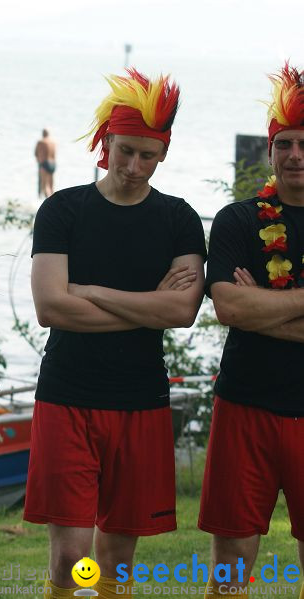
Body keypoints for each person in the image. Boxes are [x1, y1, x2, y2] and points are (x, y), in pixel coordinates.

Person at [26, 69, 207, 599]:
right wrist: (146, 306)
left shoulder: (178, 219)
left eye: (147, 155)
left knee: (119, 558)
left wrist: (90, 291)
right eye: (125, 150)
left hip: (140, 399)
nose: (133, 166)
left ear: (162, 155)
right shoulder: (63, 210)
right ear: (105, 142)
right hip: (68, 394)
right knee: (70, 554)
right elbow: (49, 306)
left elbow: (182, 311)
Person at [199, 63, 304, 599]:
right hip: (245, 406)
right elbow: (229, 307)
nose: (295, 155)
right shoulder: (239, 221)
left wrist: (268, 306)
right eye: (283, 143)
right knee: (230, 567)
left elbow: (249, 307)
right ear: (270, 151)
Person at [35, 128, 57, 198]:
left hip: (44, 163)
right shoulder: (53, 142)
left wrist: (39, 162)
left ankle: (46, 204)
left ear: (43, 133)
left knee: (45, 186)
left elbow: (35, 153)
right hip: (53, 164)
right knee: (51, 187)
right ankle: (54, 202)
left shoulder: (41, 142)